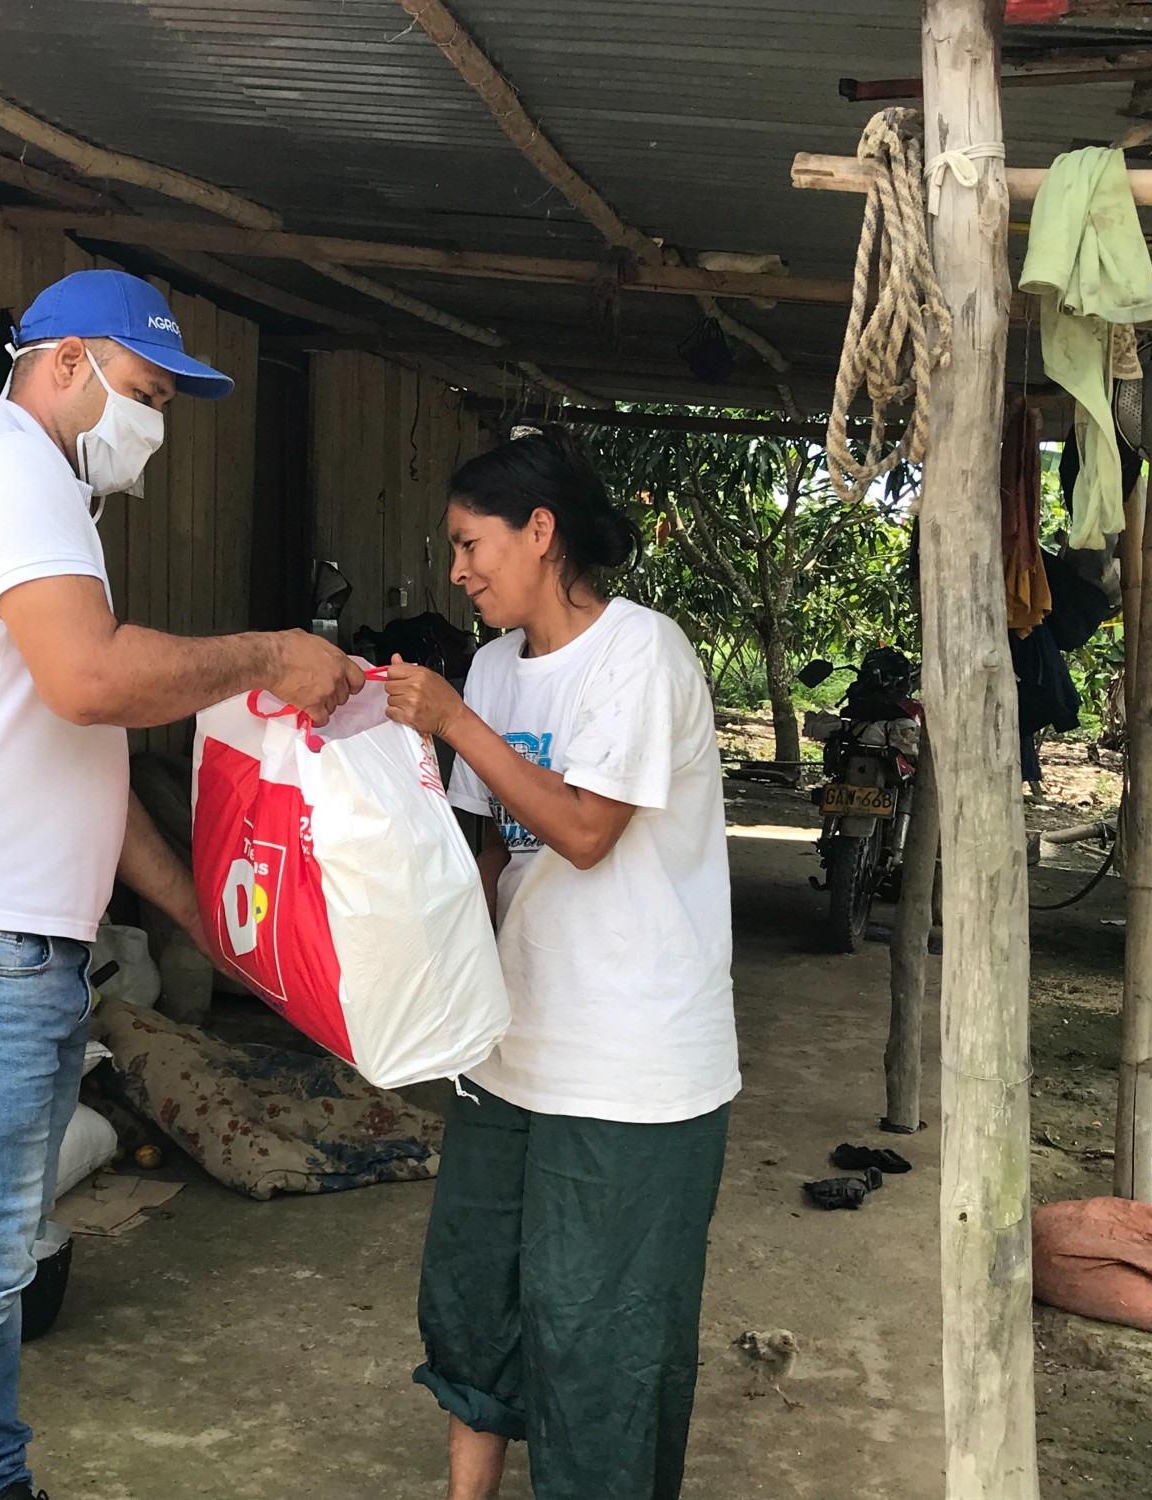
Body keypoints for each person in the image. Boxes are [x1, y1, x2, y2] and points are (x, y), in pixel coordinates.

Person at [0, 268, 362, 1500]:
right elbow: (92, 684)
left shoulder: (40, 495)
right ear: (62, 362)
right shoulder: (9, 473)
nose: (155, 424)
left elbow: (81, 760)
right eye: (144, 390)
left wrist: (202, 921)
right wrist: (271, 654)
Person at [381, 428, 739, 1500]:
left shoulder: (641, 654)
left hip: (633, 1066)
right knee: (475, 1296)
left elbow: (584, 831)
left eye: (469, 543)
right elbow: (486, 850)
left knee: (602, 1341)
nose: (456, 570)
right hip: (510, 1047)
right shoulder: (491, 666)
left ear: (541, 533)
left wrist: (453, 721)